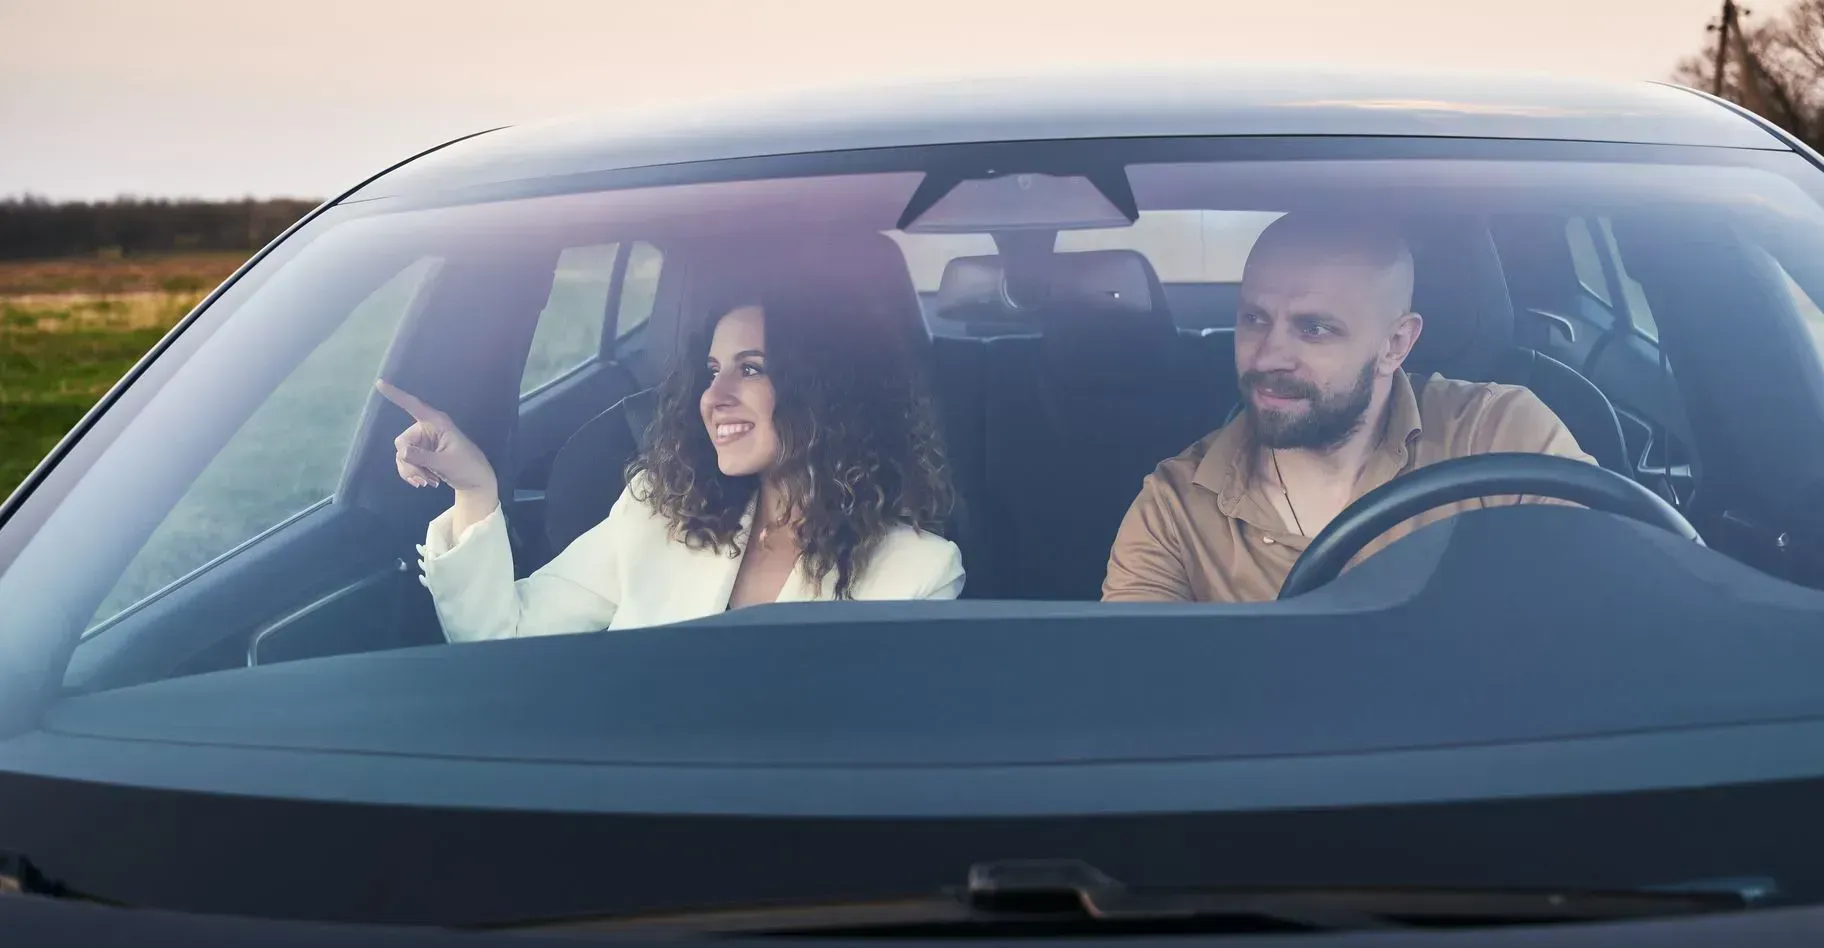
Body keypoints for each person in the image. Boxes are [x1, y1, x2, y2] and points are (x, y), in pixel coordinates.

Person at [381, 281, 964, 642]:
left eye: (752, 368)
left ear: (833, 392)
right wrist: (476, 490)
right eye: (712, 372)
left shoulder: (916, 574)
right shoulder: (657, 512)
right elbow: (501, 639)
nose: (714, 397)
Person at [1102, 213, 1593, 602]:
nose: (1268, 355)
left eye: (1313, 328)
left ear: (1395, 344)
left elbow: (1610, 598)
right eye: (1255, 318)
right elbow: (1135, 692)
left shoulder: (1500, 437)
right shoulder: (1177, 507)